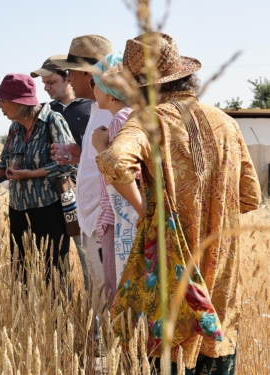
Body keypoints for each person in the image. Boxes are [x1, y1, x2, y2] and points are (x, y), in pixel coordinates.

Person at [96, 32, 261, 373]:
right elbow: (250, 197)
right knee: (216, 349)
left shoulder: (147, 119)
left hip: (172, 271)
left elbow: (114, 161)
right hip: (220, 273)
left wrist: (149, 213)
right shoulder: (226, 123)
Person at [0, 74, 77, 279]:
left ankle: (57, 311)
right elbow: (3, 168)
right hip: (18, 210)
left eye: (3, 100)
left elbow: (68, 165)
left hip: (49, 209)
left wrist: (32, 174)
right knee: (21, 275)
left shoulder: (52, 121)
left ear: (19, 102)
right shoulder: (15, 128)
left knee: (55, 274)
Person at [51, 35, 114, 308]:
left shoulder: (114, 111)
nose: (69, 78)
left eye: (70, 72)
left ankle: (107, 347)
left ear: (87, 73)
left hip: (105, 223)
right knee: (99, 291)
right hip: (92, 221)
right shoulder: (97, 107)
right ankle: (100, 343)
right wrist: (79, 156)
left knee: (106, 290)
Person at [86, 51, 135, 301]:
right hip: (126, 219)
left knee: (116, 291)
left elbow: (118, 175)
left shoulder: (119, 122)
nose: (91, 88)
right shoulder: (133, 117)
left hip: (117, 221)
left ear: (109, 89)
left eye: (94, 83)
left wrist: (101, 148)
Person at [31, 55, 92, 147]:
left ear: (68, 78)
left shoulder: (94, 107)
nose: (46, 88)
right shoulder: (44, 112)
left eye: (51, 82)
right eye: (44, 83)